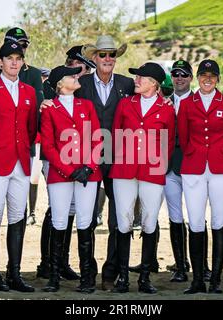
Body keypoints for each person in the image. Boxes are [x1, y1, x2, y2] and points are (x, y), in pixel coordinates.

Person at [0, 27, 44, 281]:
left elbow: (31, 127)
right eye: (9, 59)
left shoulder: (29, 92)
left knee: (17, 216)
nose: (14, 63)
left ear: (22, 63)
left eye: (18, 59)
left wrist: (25, 152)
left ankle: (14, 274)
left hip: (21, 163)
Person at [109, 62, 175, 294]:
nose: (136, 81)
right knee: (124, 220)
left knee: (149, 221)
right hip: (125, 169)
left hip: (152, 170)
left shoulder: (167, 109)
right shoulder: (125, 104)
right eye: (136, 77)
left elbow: (169, 142)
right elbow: (116, 134)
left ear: (155, 84)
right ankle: (123, 277)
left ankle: (145, 277)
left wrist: (160, 165)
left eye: (141, 78)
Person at [178, 59, 223, 294]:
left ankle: (215, 280)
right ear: (197, 77)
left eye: (212, 75)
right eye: (203, 75)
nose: (207, 79)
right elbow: (183, 138)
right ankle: (197, 280)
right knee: (195, 222)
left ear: (218, 79)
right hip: (194, 167)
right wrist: (196, 154)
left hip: (222, 168)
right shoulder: (186, 104)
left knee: (218, 221)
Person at [77, 35, 135, 290]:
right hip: (86, 158)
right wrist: (46, 102)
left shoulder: (128, 84)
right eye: (103, 55)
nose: (108, 59)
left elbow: (147, 100)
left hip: (118, 158)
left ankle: (111, 272)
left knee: (118, 218)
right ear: (94, 58)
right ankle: (87, 272)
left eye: (112, 54)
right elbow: (58, 95)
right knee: (86, 218)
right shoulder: (81, 83)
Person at [35, 45, 97, 281]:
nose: (82, 72)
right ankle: (48, 263)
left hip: (83, 160)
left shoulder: (84, 90)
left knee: (74, 213)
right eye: (77, 67)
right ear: (70, 63)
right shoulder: (51, 95)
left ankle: (62, 262)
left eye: (84, 68)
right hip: (59, 159)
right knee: (57, 213)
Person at [164, 59, 194, 283]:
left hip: (193, 165)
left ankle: (199, 264)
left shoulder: (198, 101)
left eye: (184, 74)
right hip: (169, 166)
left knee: (195, 216)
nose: (179, 77)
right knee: (174, 215)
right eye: (176, 74)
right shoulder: (165, 103)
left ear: (191, 78)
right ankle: (181, 265)